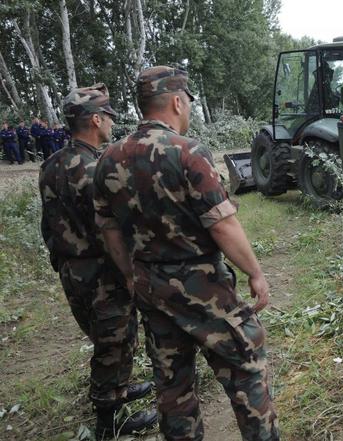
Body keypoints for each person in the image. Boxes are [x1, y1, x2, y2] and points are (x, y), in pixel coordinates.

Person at [93, 66, 279, 441]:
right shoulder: (189, 152)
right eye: (188, 102)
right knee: (245, 369)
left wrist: (130, 273)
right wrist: (255, 272)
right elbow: (222, 224)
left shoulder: (108, 159)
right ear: (178, 101)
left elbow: (109, 230)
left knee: (172, 386)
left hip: (150, 286)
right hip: (203, 288)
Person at [39, 84, 158, 439]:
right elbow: (112, 229)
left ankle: (119, 391)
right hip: (99, 270)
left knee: (105, 335)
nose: (110, 123)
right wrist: (131, 268)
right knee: (114, 342)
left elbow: (50, 223)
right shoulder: (93, 168)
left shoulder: (52, 163)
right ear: (95, 119)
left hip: (70, 268)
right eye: (108, 116)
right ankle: (111, 421)